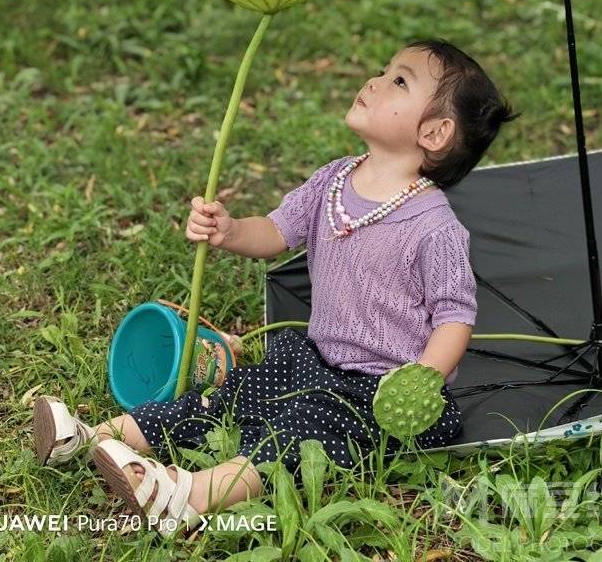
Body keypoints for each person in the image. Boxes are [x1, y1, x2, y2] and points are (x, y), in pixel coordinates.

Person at [31, 37, 520, 539]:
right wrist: (229, 230)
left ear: (435, 133)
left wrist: (422, 378)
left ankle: (189, 494)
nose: (374, 80)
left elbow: (454, 315)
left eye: (399, 80)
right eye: (384, 69)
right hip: (314, 358)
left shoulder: (434, 226)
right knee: (229, 396)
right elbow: (276, 233)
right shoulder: (333, 180)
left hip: (379, 390)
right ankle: (96, 437)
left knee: (298, 433)